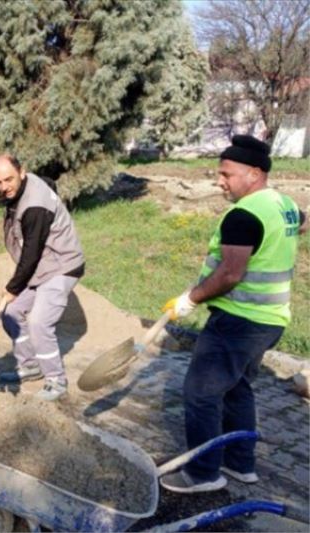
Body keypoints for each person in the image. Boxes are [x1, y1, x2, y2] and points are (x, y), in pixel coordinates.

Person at [159, 135, 306, 494]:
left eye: (227, 173)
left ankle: (203, 474)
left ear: (254, 174)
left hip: (239, 321)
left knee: (200, 392)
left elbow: (230, 274)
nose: (219, 181)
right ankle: (241, 464)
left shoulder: (243, 215)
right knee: (238, 388)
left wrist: (189, 300)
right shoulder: (283, 204)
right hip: (270, 319)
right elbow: (300, 221)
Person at [0, 154, 85, 401]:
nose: (4, 187)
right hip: (41, 267)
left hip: (61, 266)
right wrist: (15, 291)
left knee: (39, 322)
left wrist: (13, 287)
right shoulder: (23, 188)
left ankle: (56, 380)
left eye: (8, 179)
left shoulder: (34, 206)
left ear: (22, 172)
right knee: (11, 312)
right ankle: (30, 365)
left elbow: (31, 253)